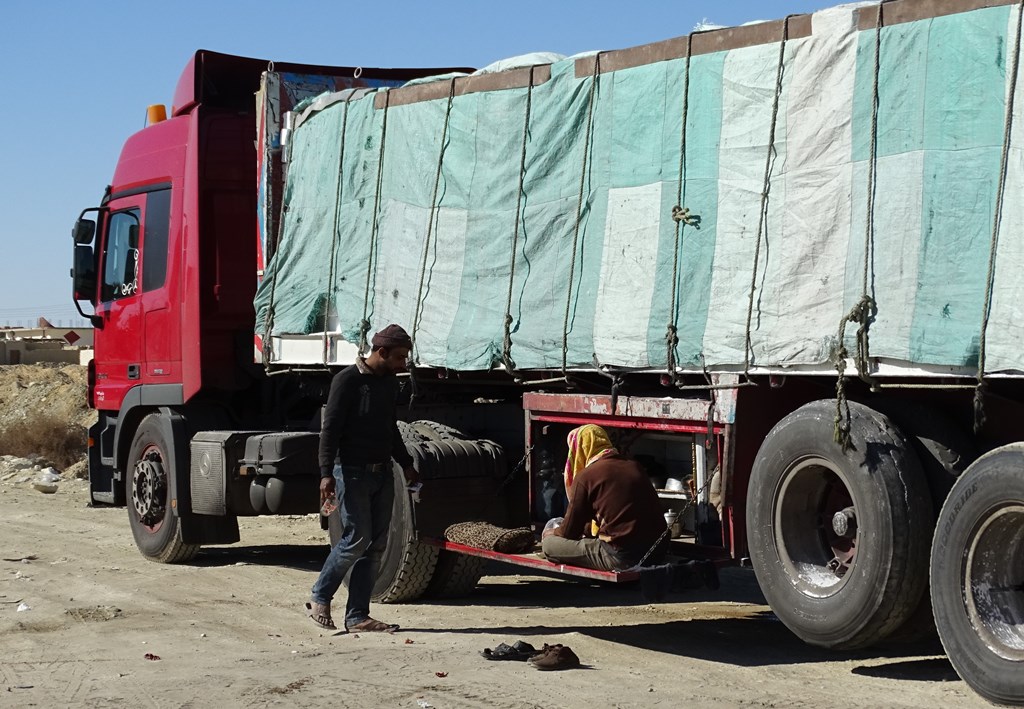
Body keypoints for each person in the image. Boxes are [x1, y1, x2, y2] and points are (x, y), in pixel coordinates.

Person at [306, 323, 418, 632]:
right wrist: (326, 474)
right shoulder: (347, 381)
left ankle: (357, 616)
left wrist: (405, 463)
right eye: (399, 357)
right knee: (355, 540)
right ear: (381, 352)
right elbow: (330, 431)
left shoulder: (388, 383)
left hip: (382, 473)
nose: (403, 363)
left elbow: (389, 427)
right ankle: (320, 597)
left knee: (376, 546)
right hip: (351, 474)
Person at [541, 424, 668, 571]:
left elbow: (570, 532)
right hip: (658, 551)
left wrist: (551, 533)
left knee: (549, 545)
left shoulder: (585, 477)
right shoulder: (634, 466)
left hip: (623, 557)